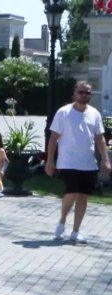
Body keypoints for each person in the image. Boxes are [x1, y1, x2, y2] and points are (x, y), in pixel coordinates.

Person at [45, 81, 111, 244]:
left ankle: (75, 231)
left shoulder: (94, 113)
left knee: (83, 196)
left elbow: (100, 138)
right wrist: (49, 161)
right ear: (75, 93)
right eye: (81, 92)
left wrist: (106, 160)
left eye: (88, 93)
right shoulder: (64, 112)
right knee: (72, 192)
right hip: (68, 161)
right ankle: (62, 221)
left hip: (88, 162)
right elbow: (54, 138)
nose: (84, 95)